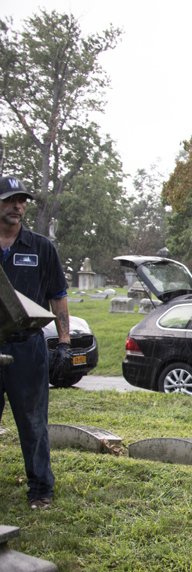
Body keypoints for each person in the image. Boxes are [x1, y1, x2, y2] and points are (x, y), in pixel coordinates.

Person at [0, 176, 72, 509]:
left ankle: (41, 489)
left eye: (22, 201)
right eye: (10, 200)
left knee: (32, 422)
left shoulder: (41, 248)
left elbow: (58, 297)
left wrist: (64, 342)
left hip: (27, 347)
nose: (17, 206)